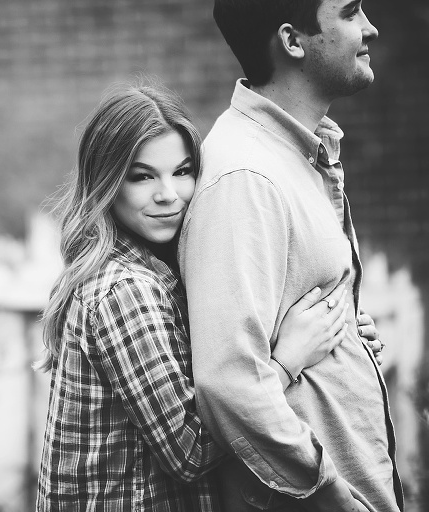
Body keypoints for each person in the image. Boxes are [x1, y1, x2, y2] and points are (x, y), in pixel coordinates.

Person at [33, 84, 379, 511]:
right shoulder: (125, 291)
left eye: (181, 171)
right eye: (142, 176)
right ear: (107, 183)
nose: (168, 194)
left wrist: (339, 341)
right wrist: (289, 358)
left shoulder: (164, 272)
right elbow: (189, 451)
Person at [179, 1, 401, 511]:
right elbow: (229, 383)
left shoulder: (297, 155)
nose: (371, 27)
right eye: (349, 13)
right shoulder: (247, 177)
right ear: (293, 41)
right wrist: (332, 497)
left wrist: (348, 340)